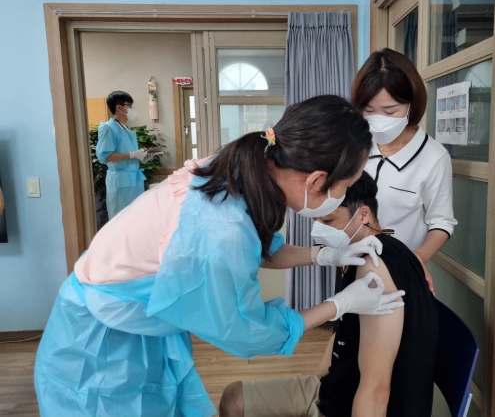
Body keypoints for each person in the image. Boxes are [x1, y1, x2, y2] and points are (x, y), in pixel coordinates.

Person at [34, 95, 404, 417]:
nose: (343, 196)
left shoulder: (245, 169)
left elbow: (258, 249)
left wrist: (326, 255)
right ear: (316, 180)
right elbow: (246, 330)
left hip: (133, 324)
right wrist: (340, 304)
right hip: (98, 347)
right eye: (345, 186)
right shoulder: (220, 229)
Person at [219, 172, 439, 417]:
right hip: (334, 391)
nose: (319, 230)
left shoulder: (374, 267)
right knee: (233, 399)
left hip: (353, 405)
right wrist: (319, 383)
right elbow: (344, 333)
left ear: (363, 214)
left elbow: (376, 389)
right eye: (317, 220)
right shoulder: (364, 251)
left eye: (328, 220)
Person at [352, 49, 458, 293]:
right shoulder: (356, 145)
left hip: (399, 271)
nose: (378, 119)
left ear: (412, 104)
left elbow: (441, 222)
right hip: (351, 263)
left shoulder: (433, 157)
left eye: (390, 111)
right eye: (368, 110)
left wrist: (418, 258)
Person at [96, 91, 154, 219]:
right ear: (119, 107)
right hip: (120, 180)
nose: (132, 109)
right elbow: (105, 156)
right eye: (130, 105)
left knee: (135, 218)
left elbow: (128, 155)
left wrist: (142, 156)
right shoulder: (109, 128)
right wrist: (132, 154)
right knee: (121, 218)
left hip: (133, 179)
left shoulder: (125, 129)